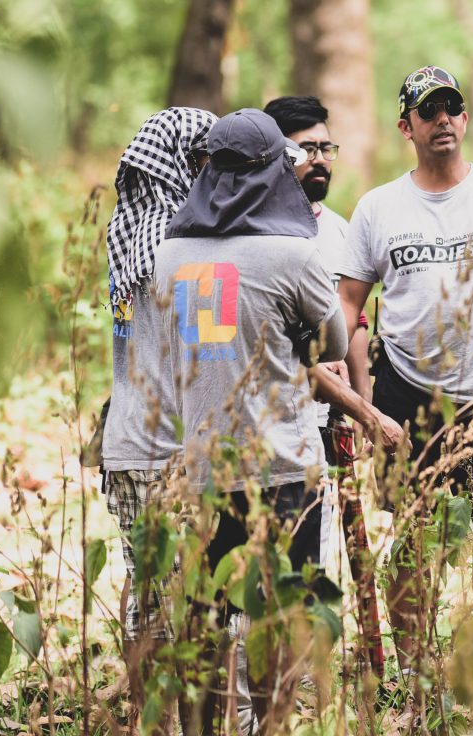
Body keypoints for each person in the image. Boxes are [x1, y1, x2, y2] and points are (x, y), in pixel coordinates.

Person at [335, 65, 473, 676]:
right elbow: (349, 304)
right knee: (412, 538)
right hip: (407, 390)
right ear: (406, 126)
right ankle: (411, 668)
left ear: (464, 118)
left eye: (451, 108)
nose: (441, 120)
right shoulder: (379, 206)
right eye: (427, 111)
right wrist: (360, 398)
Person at [154, 108, 348, 730]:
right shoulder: (294, 253)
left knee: (206, 626)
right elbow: (335, 345)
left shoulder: (168, 253)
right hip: (284, 471)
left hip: (203, 471)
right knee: (278, 626)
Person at [264, 94, 400, 679]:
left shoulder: (339, 231)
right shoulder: (254, 230)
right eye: (305, 149)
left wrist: (364, 408)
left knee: (310, 560)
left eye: (326, 148)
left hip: (326, 420)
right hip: (261, 420)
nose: (320, 160)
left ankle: (305, 683)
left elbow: (355, 329)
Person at [101, 105, 217, 721]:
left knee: (145, 593)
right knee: (189, 599)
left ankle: (152, 721)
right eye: (205, 156)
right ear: (185, 161)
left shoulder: (125, 237)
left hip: (126, 436)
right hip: (175, 444)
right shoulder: (185, 246)